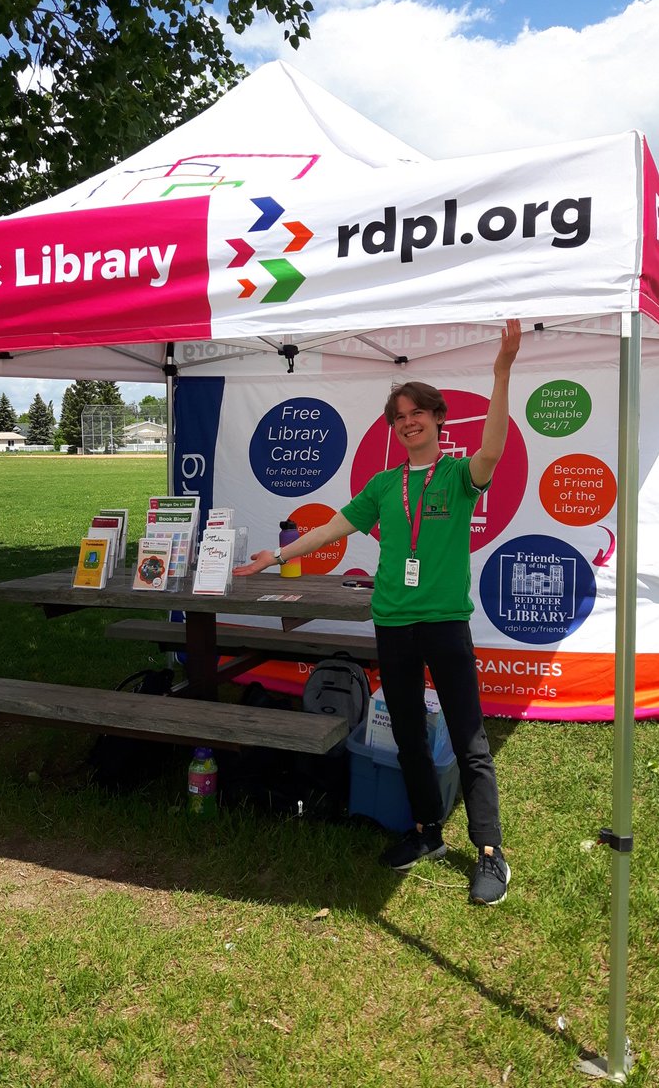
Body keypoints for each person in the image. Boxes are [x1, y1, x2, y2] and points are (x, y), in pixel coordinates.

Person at [235, 319, 522, 905]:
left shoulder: (459, 475)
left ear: (438, 418)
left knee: (469, 737)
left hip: (444, 624)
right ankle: (426, 833)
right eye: (399, 416)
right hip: (391, 622)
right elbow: (335, 526)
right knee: (409, 737)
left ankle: (490, 853)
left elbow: (493, 446)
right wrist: (277, 555)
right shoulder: (386, 484)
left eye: (417, 412)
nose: (408, 422)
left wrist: (502, 370)